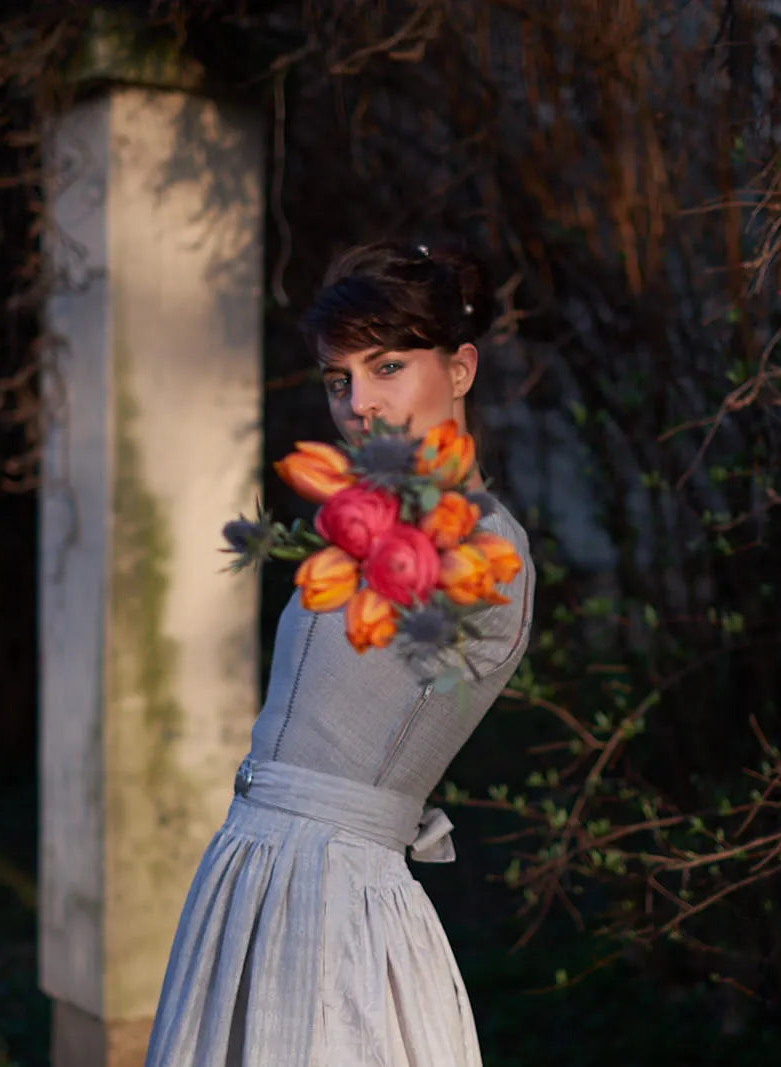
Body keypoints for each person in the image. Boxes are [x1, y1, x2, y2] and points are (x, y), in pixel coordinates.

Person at [144, 241, 535, 1066]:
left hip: (332, 903)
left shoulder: (484, 546)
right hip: (252, 873)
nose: (358, 402)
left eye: (388, 366)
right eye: (338, 378)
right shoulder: (365, 516)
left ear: (460, 368)